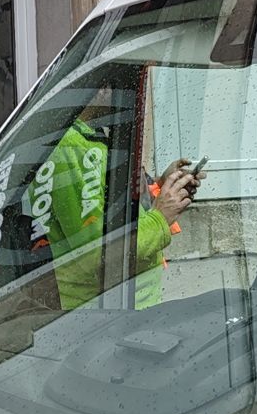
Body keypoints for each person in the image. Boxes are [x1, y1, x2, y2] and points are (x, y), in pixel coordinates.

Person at [39, 94, 201, 311]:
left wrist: (163, 186)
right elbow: (96, 254)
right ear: (104, 88)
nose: (141, 99)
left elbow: (118, 204)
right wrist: (160, 217)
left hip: (128, 303)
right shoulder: (71, 147)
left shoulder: (93, 136)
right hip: (106, 311)